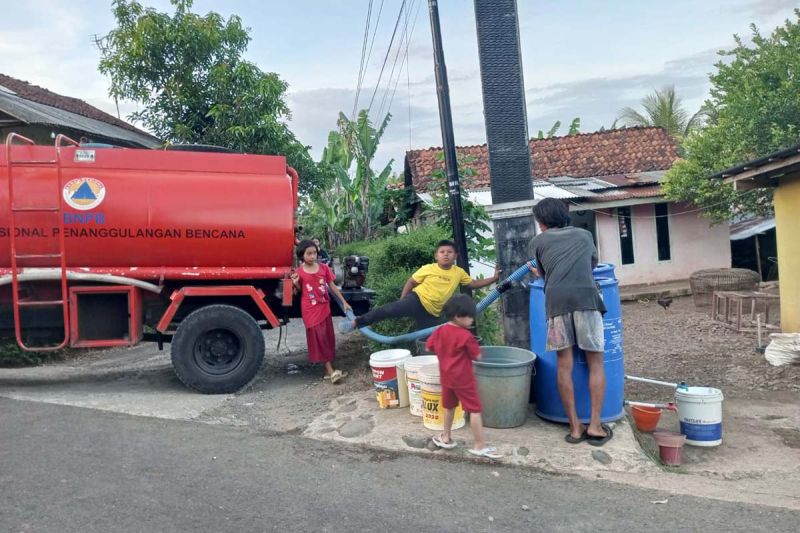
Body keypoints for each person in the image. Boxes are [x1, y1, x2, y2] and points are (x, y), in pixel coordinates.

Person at [529, 198, 611, 446]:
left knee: (564, 365)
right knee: (595, 363)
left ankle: (575, 428)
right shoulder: (585, 235)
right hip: (587, 300)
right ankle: (595, 426)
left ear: (542, 221)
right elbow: (591, 265)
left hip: (557, 304)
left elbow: (543, 273)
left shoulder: (537, 241)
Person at [340, 239, 499, 332]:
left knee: (426, 339)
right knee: (386, 310)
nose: (445, 254)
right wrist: (403, 300)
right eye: (442, 252)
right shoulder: (428, 268)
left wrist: (494, 278)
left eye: (449, 252)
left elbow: (473, 283)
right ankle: (356, 322)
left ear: (455, 256)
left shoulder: (458, 272)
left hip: (432, 313)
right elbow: (411, 281)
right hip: (416, 300)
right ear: (436, 255)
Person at [425, 294, 501, 459]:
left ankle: (445, 437)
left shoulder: (440, 331)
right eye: (470, 317)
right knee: (474, 410)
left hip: (446, 378)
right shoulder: (466, 336)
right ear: (458, 316)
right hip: (463, 380)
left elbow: (429, 347)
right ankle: (480, 445)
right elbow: (478, 357)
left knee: (449, 407)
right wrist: (480, 352)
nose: (472, 320)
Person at [291, 239, 350, 383]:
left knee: (328, 337)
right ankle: (330, 370)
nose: (312, 256)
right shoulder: (298, 272)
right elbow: (298, 292)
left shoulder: (324, 268)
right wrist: (295, 283)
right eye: (308, 254)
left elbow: (333, 287)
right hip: (310, 309)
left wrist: (344, 302)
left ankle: (327, 371)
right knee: (319, 338)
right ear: (302, 255)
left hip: (324, 307)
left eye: (314, 253)